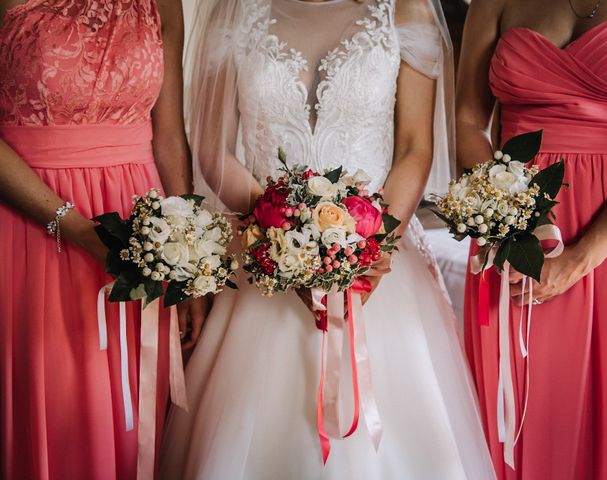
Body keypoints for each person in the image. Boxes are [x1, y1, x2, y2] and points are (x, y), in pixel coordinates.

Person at [159, 0, 496, 479]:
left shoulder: (405, 11)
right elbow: (213, 149)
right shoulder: (237, 11)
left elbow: (415, 147)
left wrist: (370, 246)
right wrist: (282, 235)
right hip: (263, 254)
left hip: (378, 256)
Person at [0, 0, 208, 477]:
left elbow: (169, 134)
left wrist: (191, 262)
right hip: (35, 224)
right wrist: (73, 226)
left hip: (144, 231)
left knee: (135, 407)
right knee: (54, 401)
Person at [457, 0, 607, 478]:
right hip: (512, 235)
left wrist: (582, 256)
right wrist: (500, 221)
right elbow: (468, 122)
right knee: (517, 410)